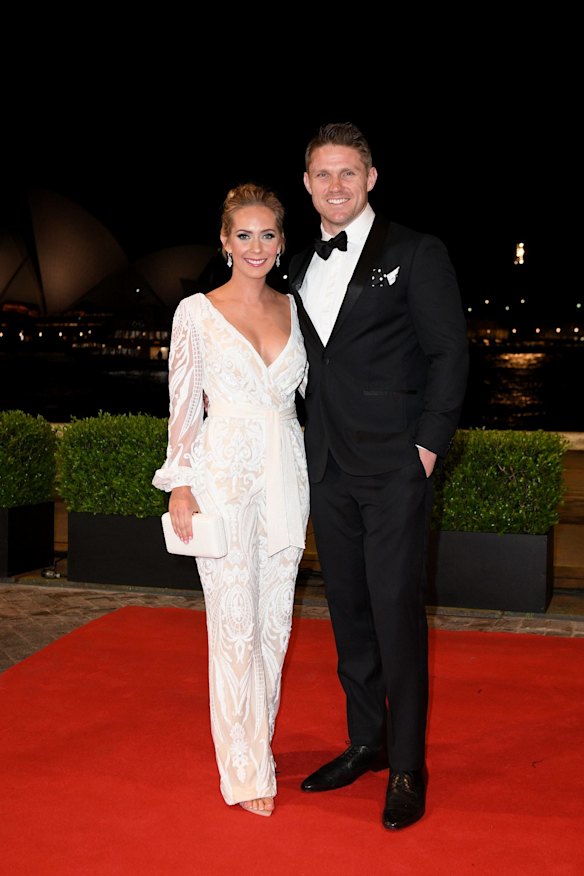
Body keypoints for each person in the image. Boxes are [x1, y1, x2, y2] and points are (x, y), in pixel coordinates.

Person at [289, 122, 469, 830]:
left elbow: (448, 354)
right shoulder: (297, 266)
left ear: (370, 177)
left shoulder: (417, 252)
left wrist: (426, 448)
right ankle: (364, 740)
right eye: (322, 174)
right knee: (350, 614)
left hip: (395, 467)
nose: (335, 185)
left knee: (396, 615)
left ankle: (406, 764)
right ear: (307, 184)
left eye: (347, 173)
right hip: (328, 468)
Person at [153, 182, 310, 817]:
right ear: (224, 242)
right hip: (223, 478)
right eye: (242, 234)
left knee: (275, 622)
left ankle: (258, 740)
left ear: (281, 243)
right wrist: (181, 485)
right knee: (235, 623)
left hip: (288, 478)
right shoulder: (195, 311)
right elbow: (183, 405)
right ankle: (244, 769)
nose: (255, 246)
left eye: (267, 234)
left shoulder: (296, 310)